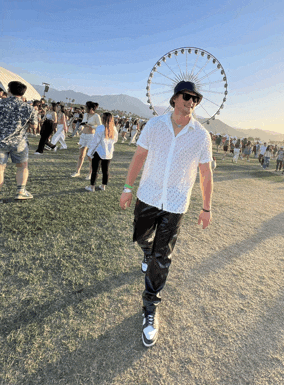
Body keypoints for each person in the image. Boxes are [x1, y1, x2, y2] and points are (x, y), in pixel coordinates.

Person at [119, 80, 213, 348]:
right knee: (140, 238)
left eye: (196, 99)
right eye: (187, 96)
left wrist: (206, 207)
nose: (191, 102)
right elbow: (139, 156)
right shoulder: (154, 125)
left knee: (163, 257)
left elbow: (206, 173)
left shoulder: (201, 135)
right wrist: (127, 188)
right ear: (175, 98)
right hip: (147, 196)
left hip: (176, 203)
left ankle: (150, 307)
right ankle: (147, 252)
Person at [0, 81, 38, 201]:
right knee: (22, 166)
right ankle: (21, 191)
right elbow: (34, 126)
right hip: (19, 142)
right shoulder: (29, 108)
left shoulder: (1, 104)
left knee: (0, 168)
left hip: (1, 141)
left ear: (9, 90)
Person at [85, 112, 118, 191]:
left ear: (104, 119)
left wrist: (89, 152)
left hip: (99, 151)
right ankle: (103, 186)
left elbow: (95, 142)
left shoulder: (100, 128)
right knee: (105, 170)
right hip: (109, 153)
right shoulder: (114, 129)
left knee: (95, 169)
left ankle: (92, 186)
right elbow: (115, 140)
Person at [71, 102, 101, 178]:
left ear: (91, 108)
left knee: (90, 156)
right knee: (81, 155)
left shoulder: (96, 116)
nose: (85, 109)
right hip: (83, 135)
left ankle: (90, 173)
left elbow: (100, 127)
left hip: (91, 136)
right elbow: (83, 123)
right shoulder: (85, 115)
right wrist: (82, 127)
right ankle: (77, 171)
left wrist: (92, 127)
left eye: (86, 107)